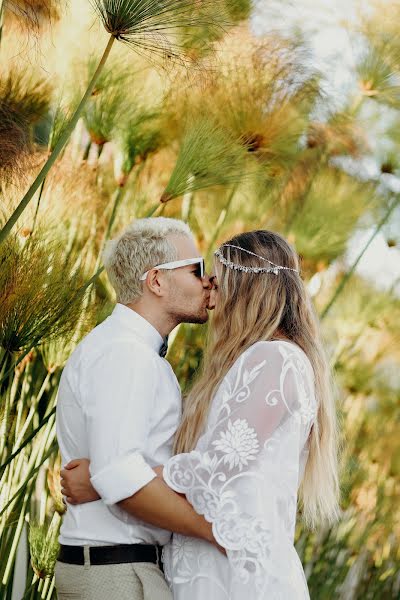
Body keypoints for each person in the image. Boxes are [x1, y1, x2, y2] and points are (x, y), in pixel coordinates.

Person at [61, 230, 340, 599]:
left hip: (236, 574)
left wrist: (100, 479)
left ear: (245, 289)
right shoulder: (254, 361)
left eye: (216, 281)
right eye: (199, 274)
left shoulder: (275, 360)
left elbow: (215, 467)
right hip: (212, 564)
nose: (209, 292)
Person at [55, 217, 217, 600]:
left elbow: (114, 467)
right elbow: (119, 473)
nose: (208, 281)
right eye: (196, 270)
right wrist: (215, 532)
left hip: (118, 568)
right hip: (116, 575)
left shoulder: (128, 350)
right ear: (157, 281)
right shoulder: (126, 354)